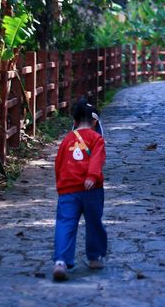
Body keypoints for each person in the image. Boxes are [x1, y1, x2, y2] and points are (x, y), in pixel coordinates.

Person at [52, 97, 107, 281]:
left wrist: (60, 184)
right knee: (94, 223)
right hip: (92, 190)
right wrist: (91, 176)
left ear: (74, 122)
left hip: (68, 189)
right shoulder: (97, 138)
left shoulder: (67, 139)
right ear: (94, 122)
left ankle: (61, 261)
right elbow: (97, 159)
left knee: (65, 223)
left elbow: (58, 163)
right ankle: (95, 257)